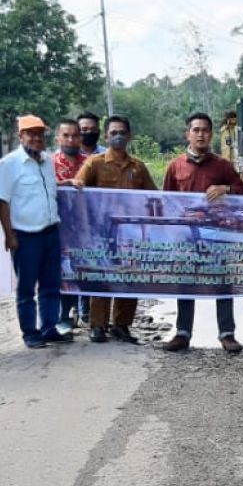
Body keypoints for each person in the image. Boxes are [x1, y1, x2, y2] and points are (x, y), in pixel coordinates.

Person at [161, 112, 243, 353]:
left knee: (222, 281)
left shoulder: (222, 165)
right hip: (187, 236)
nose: (200, 134)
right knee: (185, 282)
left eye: (205, 130)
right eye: (196, 130)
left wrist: (225, 188)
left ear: (211, 134)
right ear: (187, 134)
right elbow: (167, 200)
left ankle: (227, 333)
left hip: (217, 235)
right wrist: (172, 231)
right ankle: (182, 333)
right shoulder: (175, 166)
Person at [73, 115, 157, 344]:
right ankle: (98, 325)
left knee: (130, 276)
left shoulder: (138, 167)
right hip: (102, 231)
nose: (118, 136)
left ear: (129, 136)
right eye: (113, 133)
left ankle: (122, 325)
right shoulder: (94, 163)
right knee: (101, 275)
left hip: (131, 233)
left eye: (122, 132)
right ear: (106, 136)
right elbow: (78, 188)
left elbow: (153, 196)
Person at [0, 114, 69, 349]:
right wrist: (10, 235)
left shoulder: (47, 161)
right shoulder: (9, 164)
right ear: (21, 136)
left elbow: (50, 190)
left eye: (40, 133)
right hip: (26, 235)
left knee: (50, 285)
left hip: (50, 231)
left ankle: (49, 328)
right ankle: (30, 333)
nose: (37, 138)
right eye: (31, 134)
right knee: (26, 289)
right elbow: (2, 201)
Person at [53, 118, 88, 332]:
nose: (71, 139)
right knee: (60, 273)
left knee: (83, 270)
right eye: (66, 135)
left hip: (83, 228)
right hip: (55, 229)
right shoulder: (47, 163)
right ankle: (61, 317)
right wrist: (65, 184)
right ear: (58, 137)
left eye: (75, 135)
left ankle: (84, 312)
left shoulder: (90, 162)